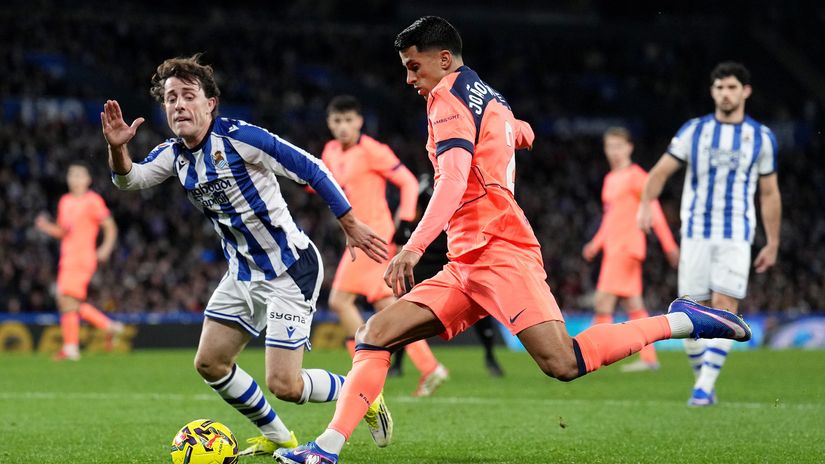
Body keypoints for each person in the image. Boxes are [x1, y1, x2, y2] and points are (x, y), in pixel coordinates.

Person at [276, 18, 752, 464]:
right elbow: (522, 132)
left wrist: (414, 246)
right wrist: (513, 137)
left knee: (564, 361)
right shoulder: (490, 96)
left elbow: (453, 179)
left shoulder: (446, 99)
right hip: (466, 262)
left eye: (413, 66)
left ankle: (681, 321)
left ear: (444, 60)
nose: (409, 79)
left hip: (500, 250)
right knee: (374, 334)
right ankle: (326, 449)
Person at [100, 54, 391, 457]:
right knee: (210, 363)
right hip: (242, 274)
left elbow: (312, 167)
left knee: (285, 386)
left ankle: (363, 393)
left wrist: (350, 222)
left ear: (210, 103)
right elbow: (129, 180)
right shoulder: (174, 155)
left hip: (290, 269)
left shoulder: (241, 137)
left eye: (188, 95)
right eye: (171, 98)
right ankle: (280, 437)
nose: (179, 105)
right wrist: (117, 150)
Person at [638, 62, 781, 406]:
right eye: (719, 88)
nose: (725, 94)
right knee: (688, 310)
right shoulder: (694, 131)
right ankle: (704, 378)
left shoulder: (761, 137)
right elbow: (660, 171)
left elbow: (769, 192)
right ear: (712, 92)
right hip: (696, 234)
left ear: (745, 91)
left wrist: (773, 241)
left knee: (725, 306)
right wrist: (645, 204)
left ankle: (703, 386)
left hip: (736, 235)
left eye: (731, 87)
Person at [322, 95, 448, 396]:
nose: (343, 127)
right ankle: (431, 368)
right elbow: (324, 183)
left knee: (340, 301)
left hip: (374, 237)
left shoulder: (373, 151)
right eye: (337, 121)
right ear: (329, 123)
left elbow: (406, 181)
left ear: (360, 122)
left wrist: (405, 222)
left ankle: (361, 371)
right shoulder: (330, 152)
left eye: (349, 120)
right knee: (386, 308)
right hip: (356, 238)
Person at [582, 127, 680, 373]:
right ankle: (649, 358)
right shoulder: (609, 179)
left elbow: (653, 209)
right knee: (633, 304)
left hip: (627, 247)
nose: (613, 152)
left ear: (629, 147)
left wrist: (669, 245)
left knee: (603, 302)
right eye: (609, 146)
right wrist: (597, 243)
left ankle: (588, 356)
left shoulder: (636, 175)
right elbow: (610, 217)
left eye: (618, 146)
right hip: (614, 247)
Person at [389, 173, 505, 378]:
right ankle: (398, 363)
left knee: (479, 305)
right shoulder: (424, 184)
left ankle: (490, 355)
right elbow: (408, 211)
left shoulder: (463, 179)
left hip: (455, 255)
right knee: (408, 306)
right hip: (426, 257)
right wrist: (402, 237)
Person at [35, 161, 124, 361]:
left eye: (79, 176)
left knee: (66, 299)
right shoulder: (64, 201)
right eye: (71, 175)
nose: (75, 180)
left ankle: (72, 348)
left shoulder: (93, 200)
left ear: (88, 180)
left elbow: (110, 226)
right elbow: (62, 231)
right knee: (69, 301)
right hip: (67, 257)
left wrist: (105, 248)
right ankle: (109, 327)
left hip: (83, 257)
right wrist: (46, 227)